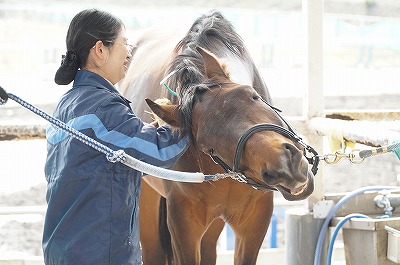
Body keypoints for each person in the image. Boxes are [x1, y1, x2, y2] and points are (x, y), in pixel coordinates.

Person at [43, 8, 188, 265]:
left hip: (63, 250)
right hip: (100, 254)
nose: (129, 54)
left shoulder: (67, 104)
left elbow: (107, 164)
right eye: (125, 44)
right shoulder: (103, 108)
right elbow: (160, 152)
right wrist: (191, 116)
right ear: (100, 50)